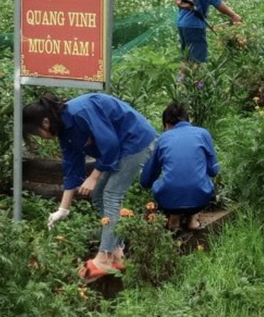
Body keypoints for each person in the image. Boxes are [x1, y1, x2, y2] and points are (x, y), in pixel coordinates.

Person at [23, 93, 157, 282]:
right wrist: (63, 209)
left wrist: (94, 177)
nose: (41, 138)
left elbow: (110, 145)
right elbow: (71, 167)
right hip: (121, 148)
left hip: (136, 142)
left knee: (111, 194)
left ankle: (104, 257)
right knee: (98, 196)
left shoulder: (80, 112)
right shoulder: (64, 130)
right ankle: (117, 253)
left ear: (45, 122)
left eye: (37, 133)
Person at [140, 102, 219, 231]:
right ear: (189, 120)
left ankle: (174, 220)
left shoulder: (163, 139)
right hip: (200, 197)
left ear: (166, 125)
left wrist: (148, 185)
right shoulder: (203, 134)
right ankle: (193, 221)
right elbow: (214, 171)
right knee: (200, 181)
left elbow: (146, 179)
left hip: (169, 201)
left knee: (165, 185)